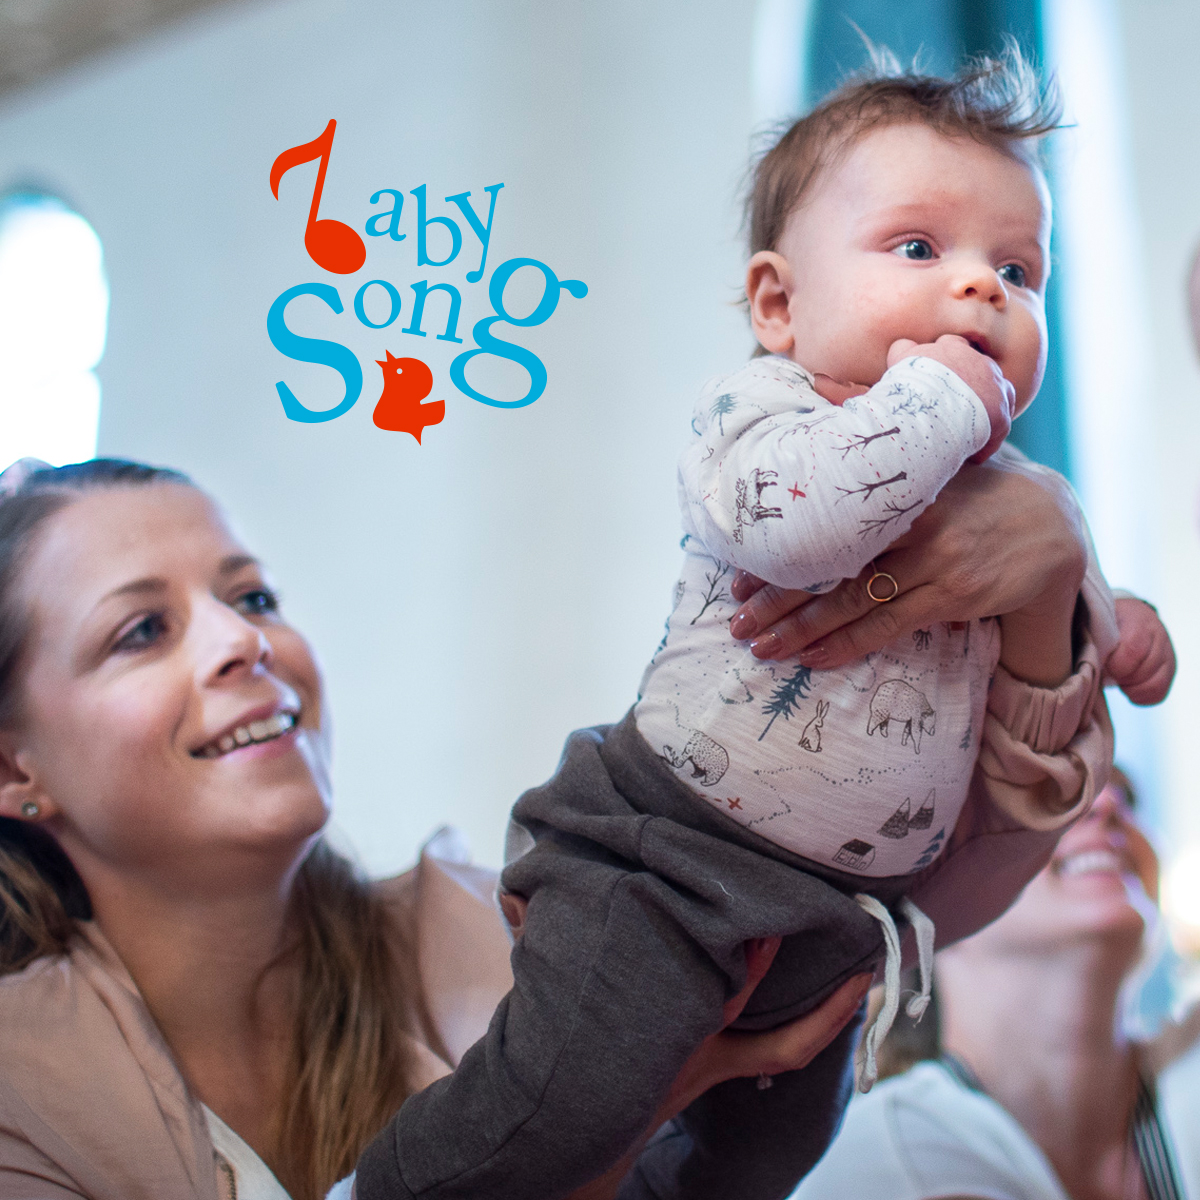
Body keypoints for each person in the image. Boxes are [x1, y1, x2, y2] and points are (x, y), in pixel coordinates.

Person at [355, 48, 1172, 1200]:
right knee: (560, 1106)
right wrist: (938, 404)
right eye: (919, 250)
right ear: (781, 306)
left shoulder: (1020, 491)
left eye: (1020, 269)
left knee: (763, 1162)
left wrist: (1113, 618)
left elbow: (1056, 636)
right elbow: (796, 528)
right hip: (667, 857)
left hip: (840, 919)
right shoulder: (765, 411)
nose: (983, 289)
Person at [0, 456, 876, 1200]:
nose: (243, 640)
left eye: (254, 596)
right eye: (143, 630)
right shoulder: (22, 1086)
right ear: (15, 770)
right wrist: (597, 1121)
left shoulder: (475, 932)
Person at [790, 769, 1195, 1200]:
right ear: (928, 902)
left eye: (1127, 797)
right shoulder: (882, 1162)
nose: (1109, 805)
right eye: (1049, 792)